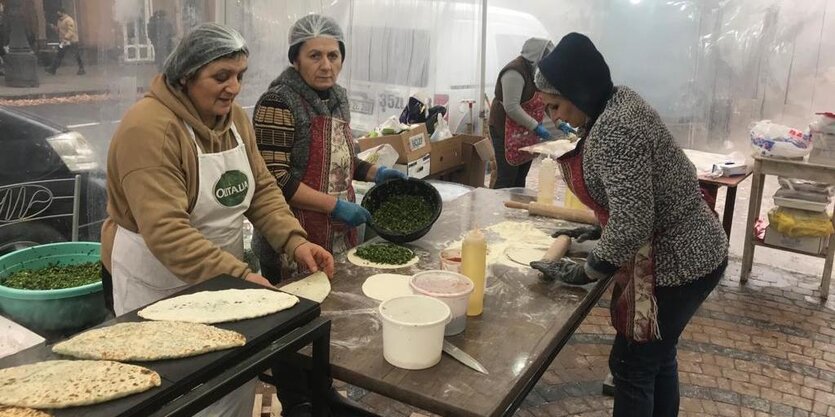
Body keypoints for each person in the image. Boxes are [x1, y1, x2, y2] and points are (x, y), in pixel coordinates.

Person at [101, 23, 334, 417]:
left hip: (221, 275)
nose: (235, 87)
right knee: (172, 390)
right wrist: (240, 278)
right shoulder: (150, 129)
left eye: (240, 76)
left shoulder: (234, 122)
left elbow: (260, 190)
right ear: (186, 76)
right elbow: (168, 233)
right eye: (221, 76)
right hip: (158, 280)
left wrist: (295, 241)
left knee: (229, 381)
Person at [531, 33, 728, 417]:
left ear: (578, 91)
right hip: (698, 250)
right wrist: (602, 231)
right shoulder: (616, 101)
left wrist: (586, 270)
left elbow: (634, 221)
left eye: (556, 106)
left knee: (632, 365)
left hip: (679, 262)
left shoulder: (616, 128)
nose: (554, 118)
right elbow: (636, 196)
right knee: (658, 356)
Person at [251, 14, 405, 283]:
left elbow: (340, 158)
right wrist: (334, 205)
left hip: (337, 234)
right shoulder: (277, 102)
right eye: (314, 56)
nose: (326, 65)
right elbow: (274, 180)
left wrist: (376, 173)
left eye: (333, 56)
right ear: (295, 59)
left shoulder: (339, 97)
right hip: (292, 239)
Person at [488, 37, 555, 189]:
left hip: (526, 131)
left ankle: (515, 209)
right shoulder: (514, 72)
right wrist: (536, 127)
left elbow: (545, 101)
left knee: (520, 177)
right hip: (505, 130)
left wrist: (559, 122)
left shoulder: (538, 74)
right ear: (536, 56)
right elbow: (511, 107)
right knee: (506, 179)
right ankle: (498, 209)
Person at [47, 8, 84, 75]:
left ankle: (81, 68)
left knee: (76, 55)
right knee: (59, 54)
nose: (57, 14)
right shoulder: (59, 20)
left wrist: (65, 38)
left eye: (59, 13)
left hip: (72, 41)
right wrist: (54, 28)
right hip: (63, 41)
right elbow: (59, 30)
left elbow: (71, 31)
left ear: (63, 13)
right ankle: (52, 69)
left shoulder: (69, 20)